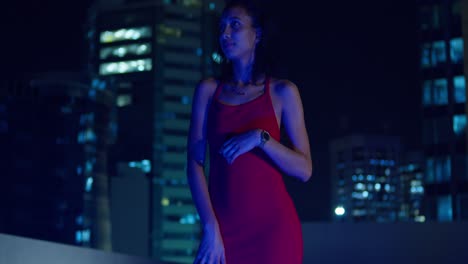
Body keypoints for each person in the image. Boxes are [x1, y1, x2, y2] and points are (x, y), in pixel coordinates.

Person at [187, 0, 312, 263]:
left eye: (235, 26)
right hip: (222, 231)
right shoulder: (209, 90)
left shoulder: (283, 92)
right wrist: (210, 228)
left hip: (274, 233)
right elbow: (194, 164)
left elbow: (304, 170)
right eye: (222, 28)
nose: (225, 34)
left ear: (258, 34)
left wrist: (260, 138)